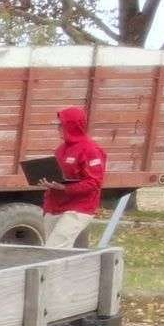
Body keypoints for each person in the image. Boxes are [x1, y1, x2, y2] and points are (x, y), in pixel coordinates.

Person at [39, 105, 106, 247]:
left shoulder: (90, 150)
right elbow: (57, 174)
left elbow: (94, 182)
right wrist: (48, 182)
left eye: (60, 125)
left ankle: (51, 270)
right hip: (55, 206)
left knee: (55, 249)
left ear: (71, 126)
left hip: (79, 208)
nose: (57, 129)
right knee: (49, 250)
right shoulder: (61, 149)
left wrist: (65, 188)